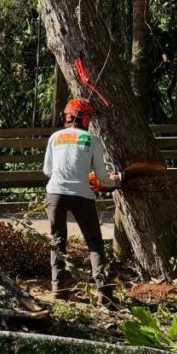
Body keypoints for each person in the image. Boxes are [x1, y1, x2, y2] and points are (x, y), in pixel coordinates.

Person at [42, 98, 119, 307]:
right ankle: (104, 293)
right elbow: (101, 176)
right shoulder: (93, 140)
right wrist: (113, 181)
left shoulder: (54, 137)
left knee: (58, 240)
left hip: (55, 193)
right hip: (82, 195)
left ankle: (59, 289)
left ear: (67, 116)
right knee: (94, 242)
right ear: (85, 119)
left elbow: (47, 171)